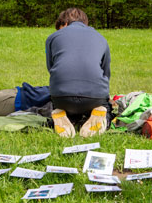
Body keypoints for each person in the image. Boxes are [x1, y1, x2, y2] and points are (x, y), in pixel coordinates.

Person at [45, 8, 112, 138]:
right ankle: (102, 115)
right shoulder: (101, 38)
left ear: (64, 23)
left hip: (61, 97)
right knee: (105, 107)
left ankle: (62, 115)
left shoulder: (52, 38)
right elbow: (106, 72)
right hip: (95, 97)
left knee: (61, 105)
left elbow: (51, 68)